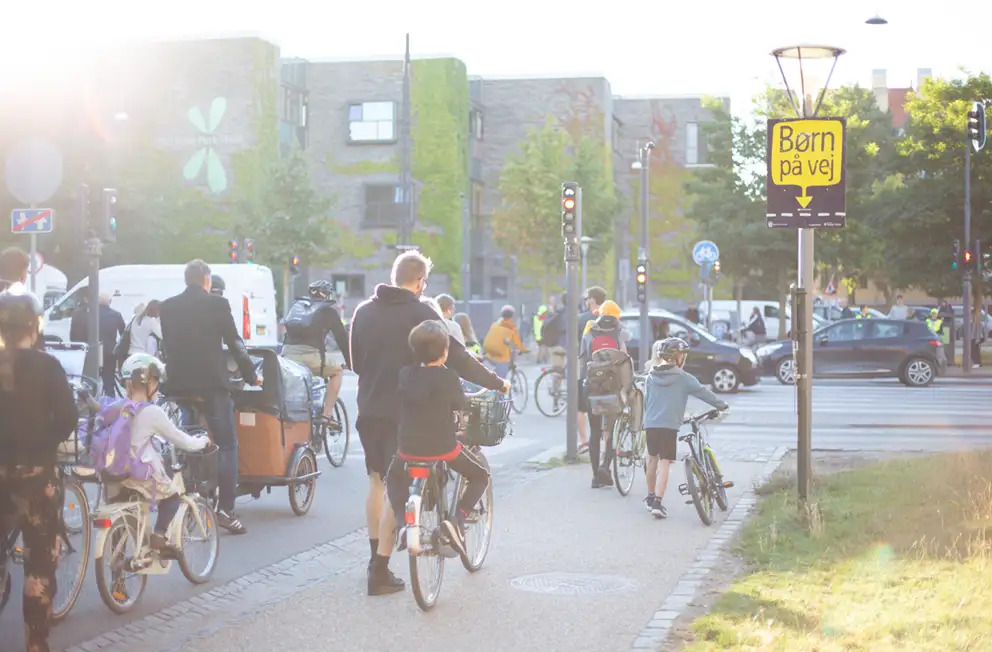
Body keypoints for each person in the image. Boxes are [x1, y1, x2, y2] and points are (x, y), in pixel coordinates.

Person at [350, 250, 507, 596]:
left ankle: (375, 558)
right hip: (405, 414)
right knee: (398, 487)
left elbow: (356, 363)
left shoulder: (362, 312)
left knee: (377, 481)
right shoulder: (423, 312)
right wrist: (495, 382)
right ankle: (380, 568)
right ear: (420, 281)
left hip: (368, 408)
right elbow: (458, 360)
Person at [0, 288, 78, 652]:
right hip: (35, 475)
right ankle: (35, 642)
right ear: (34, 326)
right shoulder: (47, 366)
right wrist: (44, 444)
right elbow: (67, 418)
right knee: (40, 559)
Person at [160, 260, 259, 535]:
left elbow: (170, 345)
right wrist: (251, 375)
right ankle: (226, 510)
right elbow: (234, 342)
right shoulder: (217, 305)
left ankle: (188, 496)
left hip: (180, 384)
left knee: (188, 440)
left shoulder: (167, 307)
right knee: (227, 444)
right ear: (206, 280)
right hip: (211, 384)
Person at [385, 320, 491, 561]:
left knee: (393, 477)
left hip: (409, 448)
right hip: (443, 447)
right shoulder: (449, 377)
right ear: (445, 353)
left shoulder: (404, 374)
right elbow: (459, 405)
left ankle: (403, 524)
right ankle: (458, 520)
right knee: (480, 475)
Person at [116, 353, 209, 555]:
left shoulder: (117, 406)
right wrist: (202, 441)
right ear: (150, 382)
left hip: (113, 471)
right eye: (156, 381)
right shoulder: (152, 412)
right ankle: (159, 536)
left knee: (119, 509)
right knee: (171, 497)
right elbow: (181, 440)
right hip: (136, 473)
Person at [642, 338, 728, 519]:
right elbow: (704, 393)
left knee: (652, 460)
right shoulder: (683, 378)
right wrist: (721, 405)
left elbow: (647, 401)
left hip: (651, 424)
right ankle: (658, 502)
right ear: (678, 357)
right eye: (684, 355)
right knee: (665, 462)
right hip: (669, 425)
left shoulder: (651, 376)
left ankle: (649, 498)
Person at [282, 280, 351, 422]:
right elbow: (342, 340)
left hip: (287, 357)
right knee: (337, 371)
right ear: (327, 294)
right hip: (311, 358)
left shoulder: (297, 307)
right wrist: (350, 362)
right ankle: (327, 414)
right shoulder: (328, 312)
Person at [579, 299, 628, 487]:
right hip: (612, 389)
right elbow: (624, 358)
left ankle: (595, 477)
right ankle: (605, 466)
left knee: (595, 432)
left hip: (592, 387)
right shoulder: (619, 333)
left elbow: (582, 358)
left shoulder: (589, 332)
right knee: (612, 430)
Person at [71, 293, 126, 396]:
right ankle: (109, 404)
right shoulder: (116, 315)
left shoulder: (89, 314)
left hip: (93, 351)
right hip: (110, 352)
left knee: (90, 380)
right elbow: (123, 333)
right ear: (110, 302)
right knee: (109, 382)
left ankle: (91, 402)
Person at [575, 287, 606, 452]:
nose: (586, 302)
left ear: (593, 300)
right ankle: (607, 440)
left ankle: (584, 441)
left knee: (580, 406)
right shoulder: (610, 317)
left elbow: (575, 344)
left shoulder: (582, 319)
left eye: (587, 298)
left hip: (586, 369)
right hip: (606, 370)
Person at [482, 305, 528, 378]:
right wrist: (525, 350)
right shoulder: (511, 327)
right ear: (512, 316)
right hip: (501, 358)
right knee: (501, 382)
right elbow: (517, 343)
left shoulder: (495, 324)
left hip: (489, 355)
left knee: (492, 379)